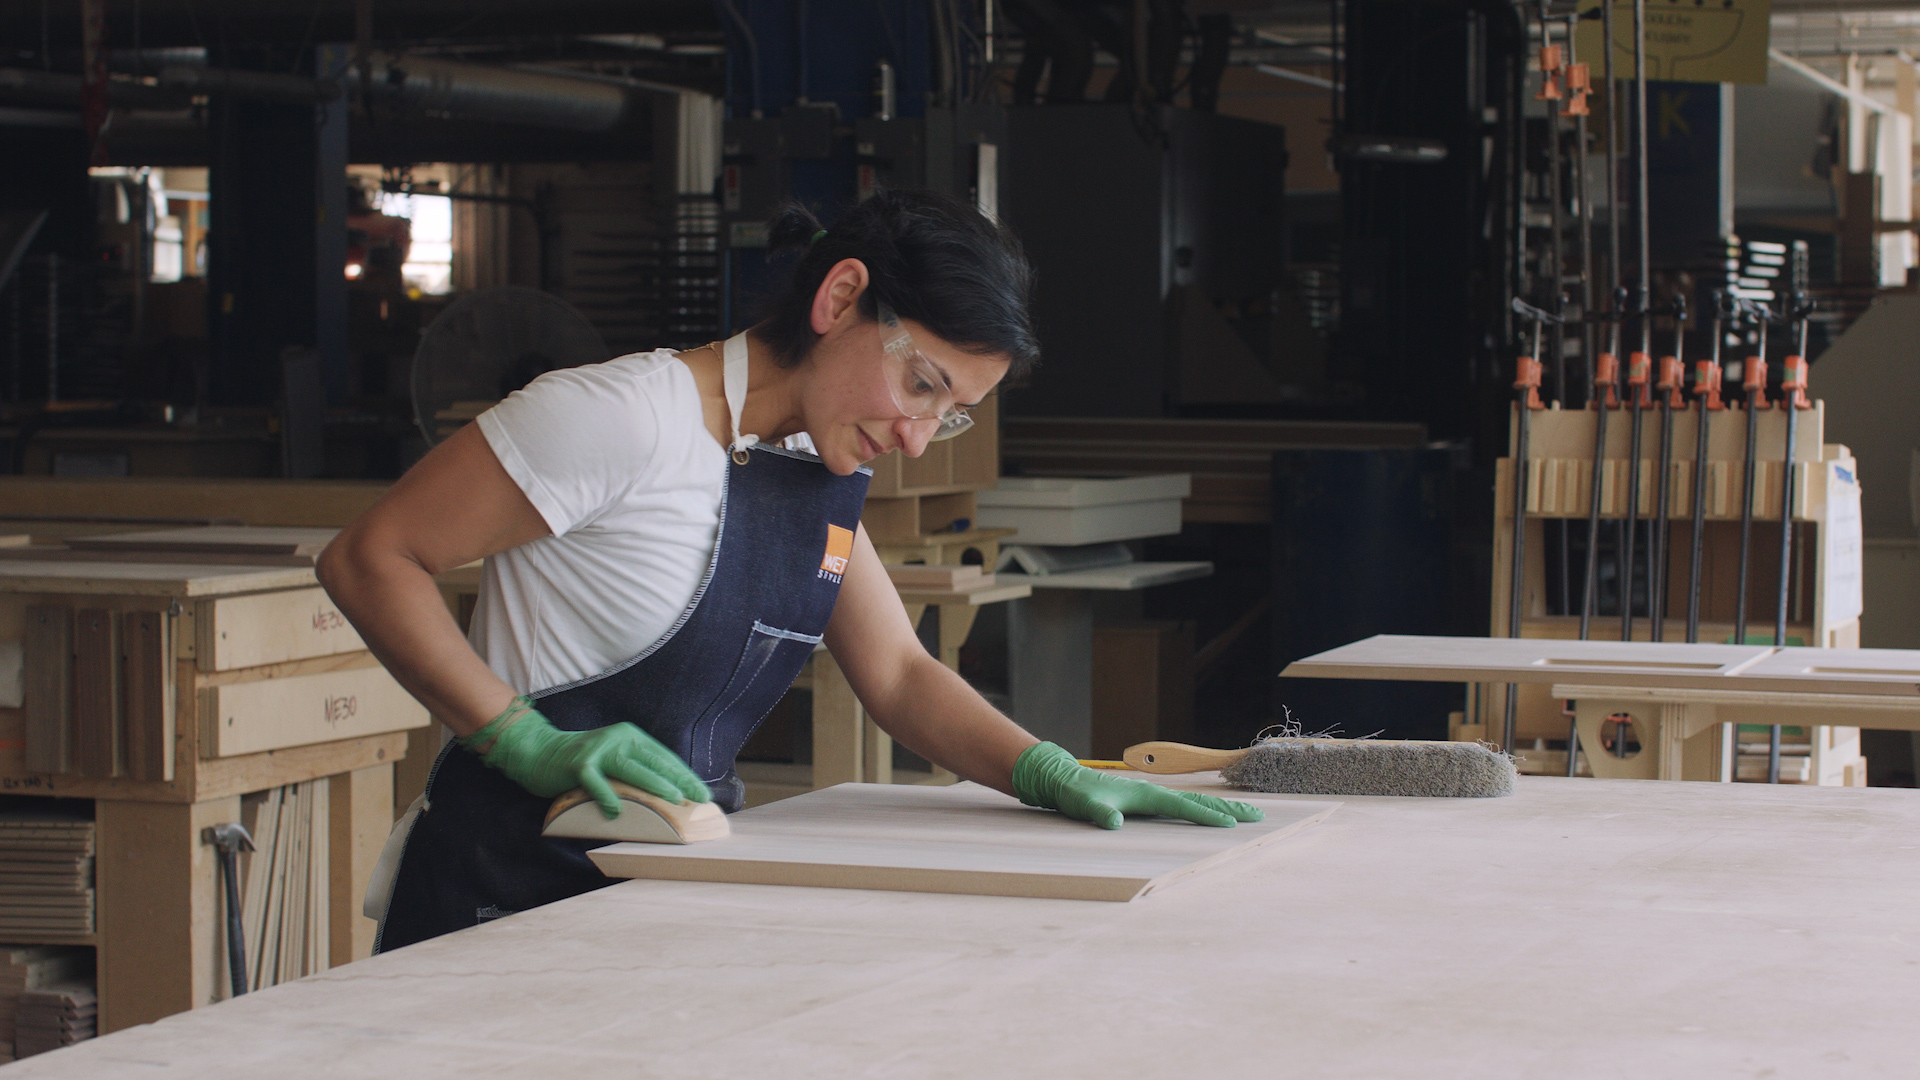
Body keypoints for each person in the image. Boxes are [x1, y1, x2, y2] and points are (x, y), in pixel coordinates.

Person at [318, 190, 1262, 951]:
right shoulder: (621, 418)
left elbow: (897, 673)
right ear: (840, 298)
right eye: (922, 386)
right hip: (499, 904)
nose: (920, 438)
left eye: (952, 412)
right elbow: (371, 558)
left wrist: (1047, 771)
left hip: (661, 895)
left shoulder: (816, 464)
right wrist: (523, 740)